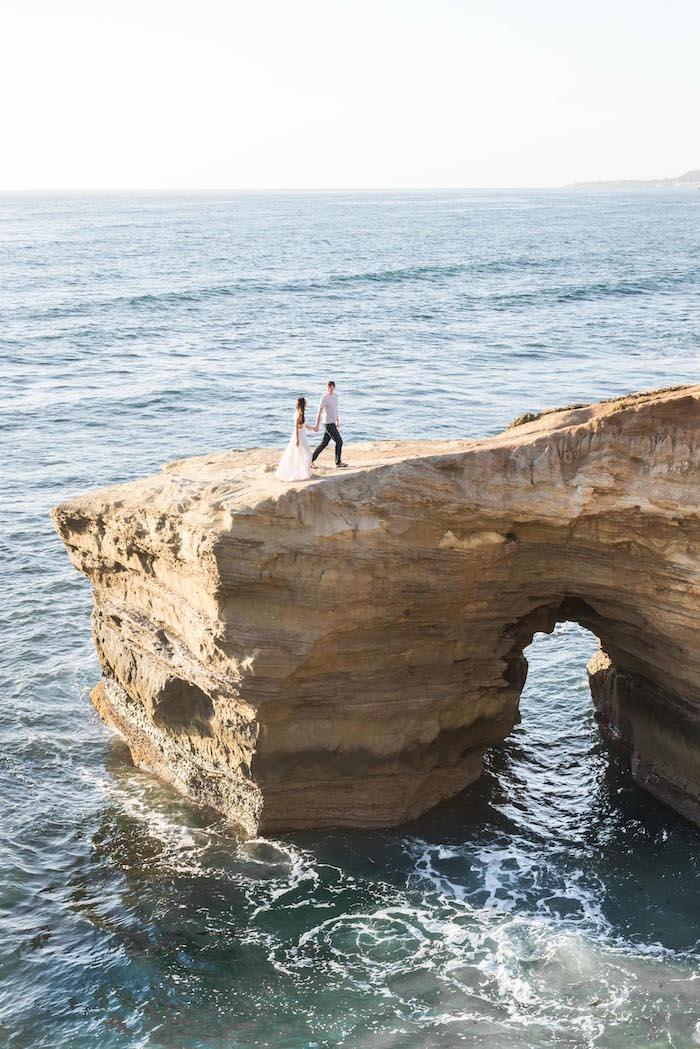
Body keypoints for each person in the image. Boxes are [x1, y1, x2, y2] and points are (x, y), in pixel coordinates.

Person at [275, 397, 315, 482]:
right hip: (300, 436)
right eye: (305, 402)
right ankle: (306, 472)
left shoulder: (298, 413)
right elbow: (297, 428)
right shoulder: (299, 415)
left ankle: (304, 472)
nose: (307, 403)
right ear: (303, 405)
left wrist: (312, 428)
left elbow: (303, 425)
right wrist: (297, 440)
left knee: (296, 454)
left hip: (301, 435)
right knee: (306, 454)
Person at [311, 380, 347, 468]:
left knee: (324, 443)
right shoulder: (324, 397)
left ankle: (310, 460)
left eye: (331, 388)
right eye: (328, 389)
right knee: (339, 442)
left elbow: (335, 409)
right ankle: (338, 462)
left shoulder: (335, 396)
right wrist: (317, 425)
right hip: (328, 423)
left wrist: (338, 420)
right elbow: (319, 412)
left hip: (333, 423)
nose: (329, 390)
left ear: (334, 388)